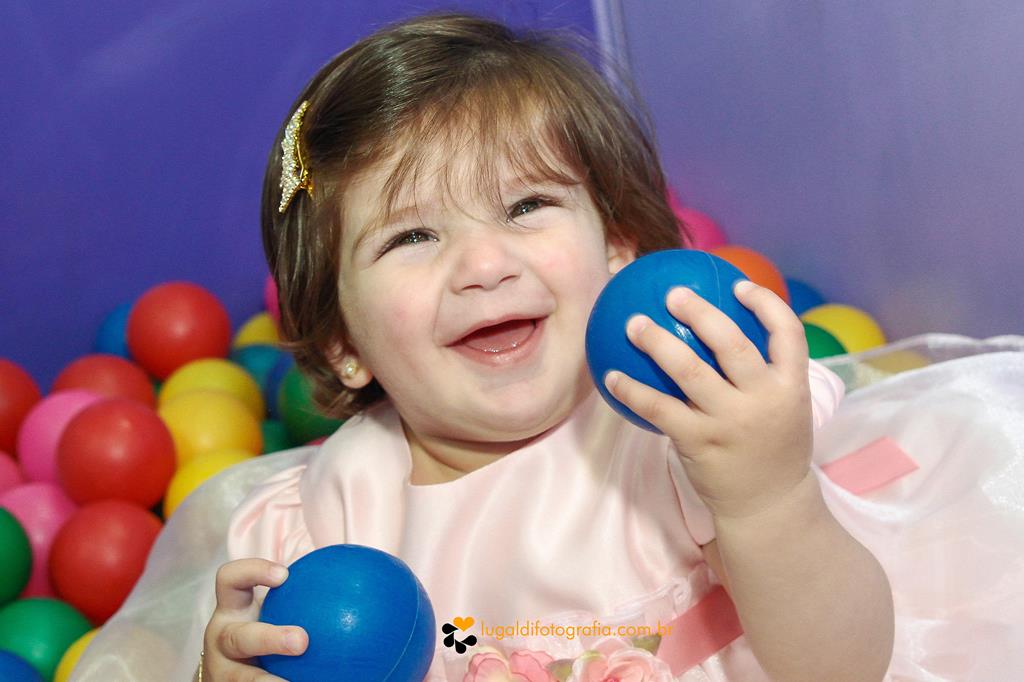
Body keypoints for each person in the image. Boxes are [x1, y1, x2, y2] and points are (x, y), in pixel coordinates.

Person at [75, 11, 1024, 682]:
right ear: (344, 343)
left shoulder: (688, 429)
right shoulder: (313, 530)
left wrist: (768, 496)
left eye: (527, 206)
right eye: (412, 237)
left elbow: (843, 668)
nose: (485, 263)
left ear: (616, 252)